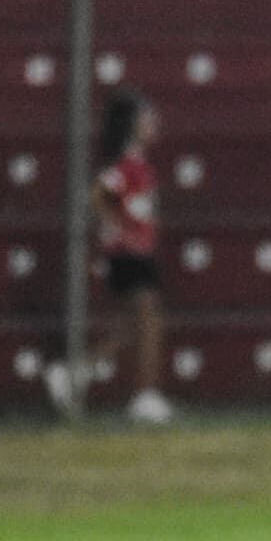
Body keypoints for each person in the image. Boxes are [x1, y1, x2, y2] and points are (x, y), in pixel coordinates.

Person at [91, 90, 173, 425]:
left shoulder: (139, 163)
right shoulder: (127, 165)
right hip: (129, 254)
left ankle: (77, 374)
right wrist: (119, 229)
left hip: (139, 251)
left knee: (133, 326)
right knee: (147, 320)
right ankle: (145, 394)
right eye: (147, 119)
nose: (154, 124)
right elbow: (99, 194)